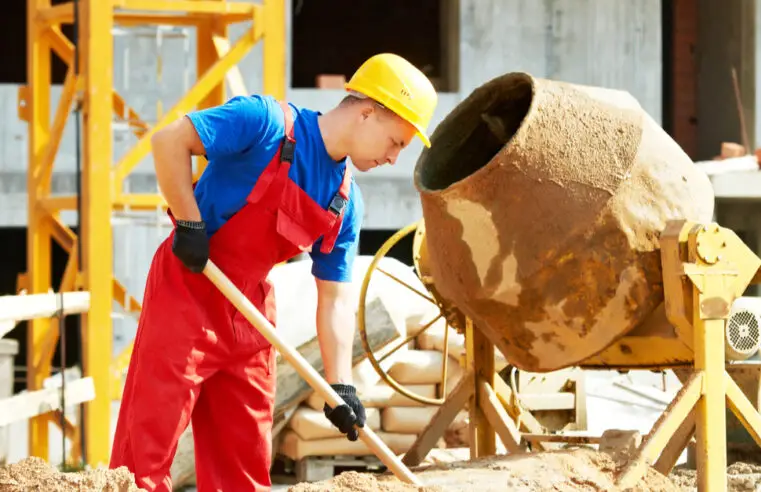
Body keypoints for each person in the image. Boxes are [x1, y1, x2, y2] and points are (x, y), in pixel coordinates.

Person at [109, 53, 438, 492]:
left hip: (249, 312)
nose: (395, 158)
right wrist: (189, 222)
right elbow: (169, 141)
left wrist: (341, 387)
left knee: (243, 463)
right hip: (189, 285)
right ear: (367, 113)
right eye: (396, 142)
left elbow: (334, 299)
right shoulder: (262, 122)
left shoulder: (346, 203)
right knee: (146, 449)